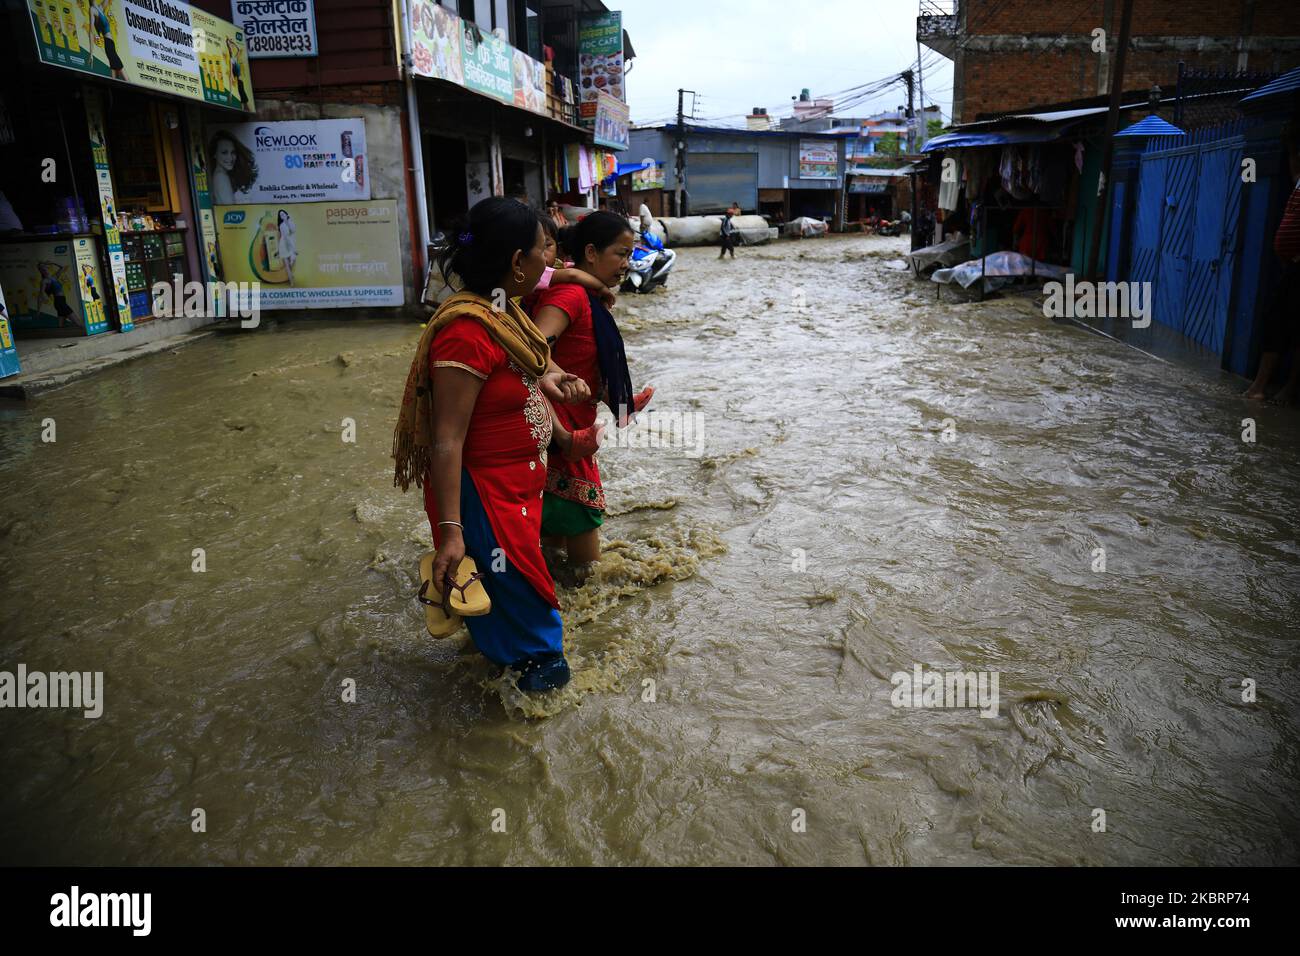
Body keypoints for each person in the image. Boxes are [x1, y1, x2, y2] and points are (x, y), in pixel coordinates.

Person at [392, 197, 591, 693]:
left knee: (506, 598)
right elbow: (447, 439)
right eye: (541, 250)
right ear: (515, 263)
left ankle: (497, 698)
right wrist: (452, 531)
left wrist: (561, 395)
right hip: (484, 497)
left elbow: (527, 377)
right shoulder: (466, 333)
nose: (550, 260)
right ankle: (528, 719)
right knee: (532, 619)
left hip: (517, 492)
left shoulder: (506, 318)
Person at [531, 212, 654, 567]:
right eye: (620, 253)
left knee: (552, 535)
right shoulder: (570, 295)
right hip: (563, 432)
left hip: (567, 427)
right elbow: (531, 348)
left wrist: (612, 396)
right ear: (590, 252)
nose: (626, 264)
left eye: (630, 255)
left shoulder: (586, 296)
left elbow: (580, 359)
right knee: (588, 563)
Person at [1246, 131, 1300, 404]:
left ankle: (1279, 389)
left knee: (1282, 325)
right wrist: (1291, 146)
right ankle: (1261, 386)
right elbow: (1294, 172)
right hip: (1289, 267)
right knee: (1277, 323)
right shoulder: (1298, 183)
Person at [208, 131, 257, 205]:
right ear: (214, 154)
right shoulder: (221, 176)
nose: (230, 158)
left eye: (233, 152)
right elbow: (230, 210)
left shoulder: (219, 174)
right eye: (224, 152)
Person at [277, 210, 297, 286]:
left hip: (291, 242)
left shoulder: (291, 222)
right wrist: (293, 248)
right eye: (280, 215)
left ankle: (290, 275)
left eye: (283, 214)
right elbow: (285, 237)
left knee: (292, 261)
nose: (282, 215)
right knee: (287, 265)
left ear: (286, 214)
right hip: (284, 244)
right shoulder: (281, 226)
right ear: (280, 217)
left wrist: (287, 222)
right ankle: (291, 281)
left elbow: (293, 230)